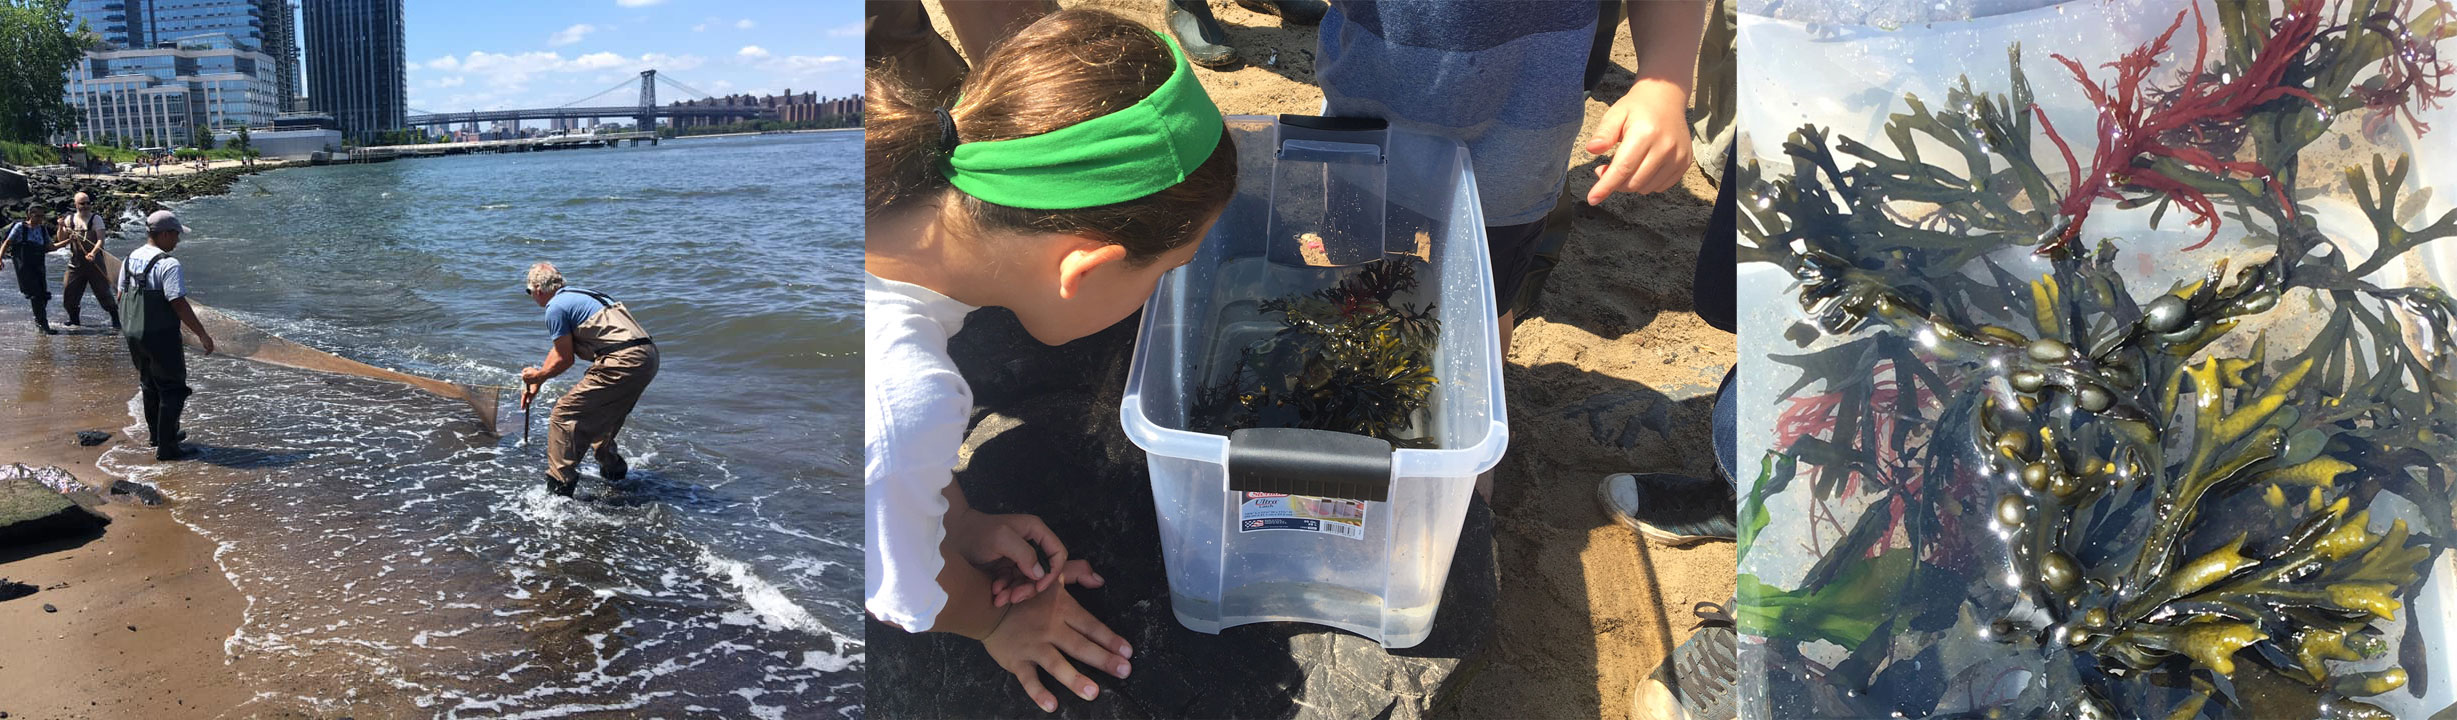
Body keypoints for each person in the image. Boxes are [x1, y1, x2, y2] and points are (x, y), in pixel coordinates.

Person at [865, 9, 1234, 713]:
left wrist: (957, 515)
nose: (1165, 291)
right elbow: (904, 586)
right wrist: (997, 617)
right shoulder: (906, 392)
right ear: (1084, 269)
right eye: (1165, 273)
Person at [518, 262, 659, 498]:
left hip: (621, 359)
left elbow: (565, 360)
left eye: (529, 292)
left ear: (538, 290)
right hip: (648, 357)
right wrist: (539, 380)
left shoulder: (554, 307)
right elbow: (562, 350)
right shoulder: (582, 296)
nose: (532, 297)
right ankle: (616, 474)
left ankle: (559, 491)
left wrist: (538, 374)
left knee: (564, 415)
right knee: (604, 414)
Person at [119, 210, 216, 461]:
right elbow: (178, 303)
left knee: (149, 385)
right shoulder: (168, 264)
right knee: (173, 389)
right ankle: (168, 447)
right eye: (176, 235)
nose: (178, 241)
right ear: (163, 234)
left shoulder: (129, 259)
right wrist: (202, 334)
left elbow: (120, 296)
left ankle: (157, 436)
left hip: (134, 333)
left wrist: (130, 328)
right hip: (161, 335)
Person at [55, 192, 121, 329]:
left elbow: (100, 240)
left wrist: (93, 252)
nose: (85, 206)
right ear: (76, 205)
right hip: (75, 264)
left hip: (95, 263)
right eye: (82, 204)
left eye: (87, 203)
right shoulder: (70, 220)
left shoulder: (96, 219)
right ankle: (74, 321)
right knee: (69, 294)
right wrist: (61, 227)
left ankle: (116, 319)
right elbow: (61, 240)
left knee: (103, 294)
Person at [3, 204, 68, 335]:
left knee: (43, 295)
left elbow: (50, 247)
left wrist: (68, 241)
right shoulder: (20, 227)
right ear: (29, 215)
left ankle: (39, 322)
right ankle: (44, 326)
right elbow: (7, 243)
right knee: (36, 295)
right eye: (37, 216)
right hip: (24, 266)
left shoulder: (42, 230)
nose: (40, 219)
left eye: (42, 216)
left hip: (39, 265)